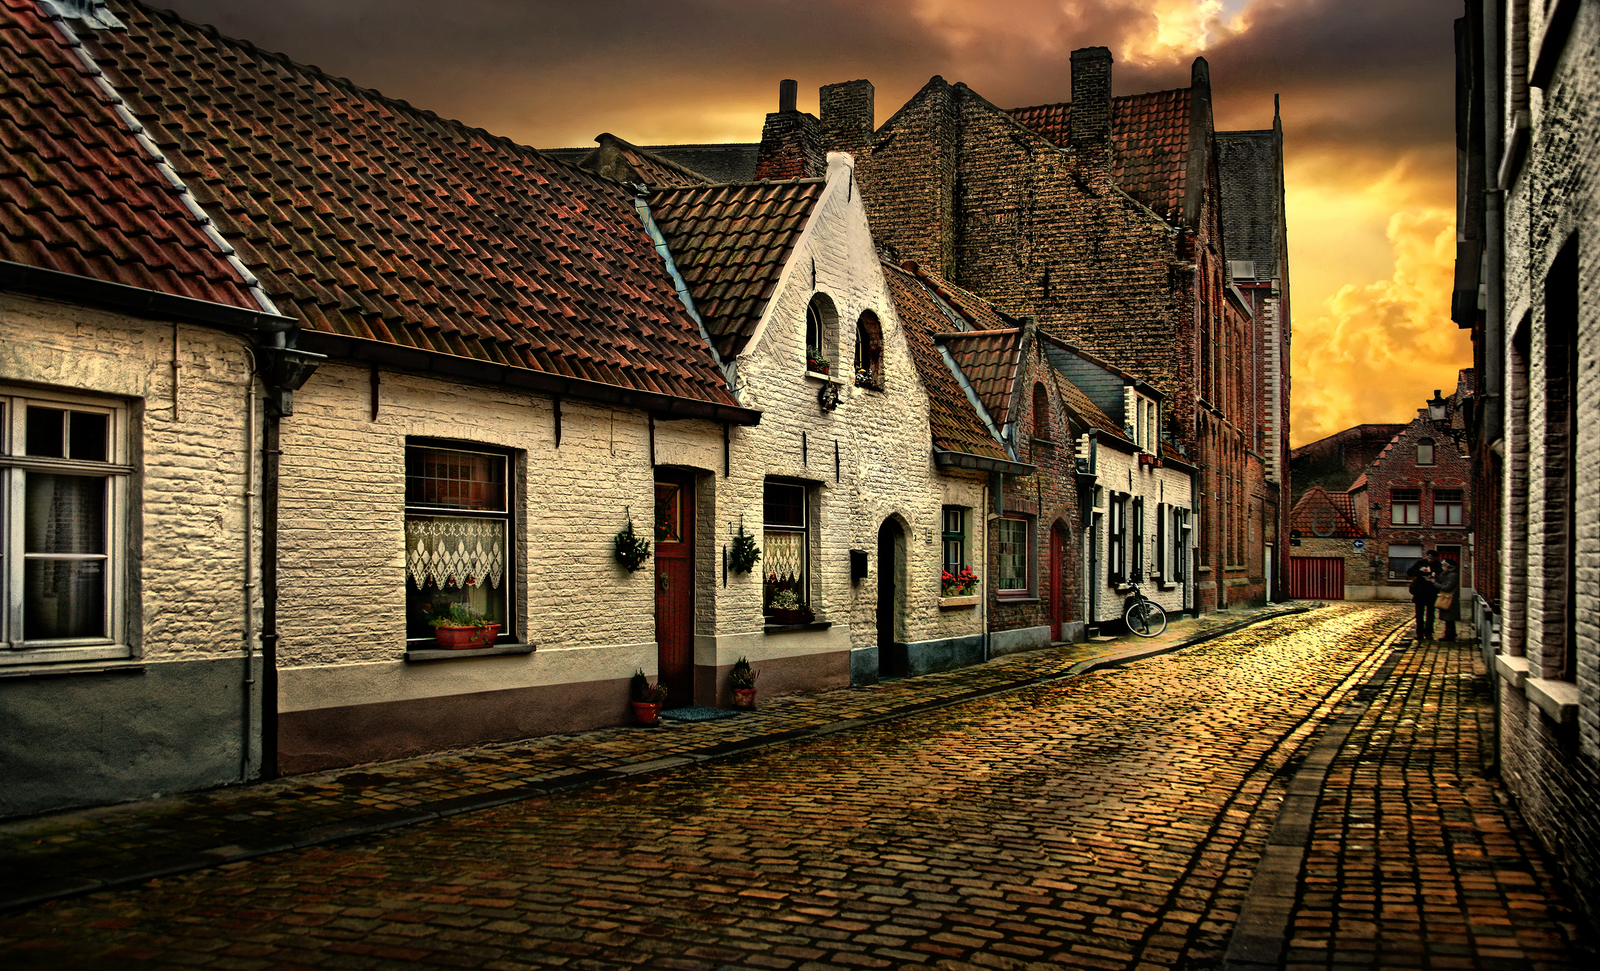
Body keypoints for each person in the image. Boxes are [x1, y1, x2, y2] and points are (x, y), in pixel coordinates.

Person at [1408, 551, 1438, 640]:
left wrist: (1433, 575)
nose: (1430, 560)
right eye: (1429, 558)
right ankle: (1419, 633)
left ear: (1435, 558)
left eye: (1432, 559)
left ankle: (1429, 633)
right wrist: (1420, 571)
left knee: (1430, 615)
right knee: (1419, 614)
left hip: (1431, 593)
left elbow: (1441, 576)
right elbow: (1410, 572)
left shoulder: (1438, 565)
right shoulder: (1420, 563)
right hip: (1420, 592)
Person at [1435, 558, 1461, 640]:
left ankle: (1450, 635)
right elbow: (1442, 580)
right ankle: (1449, 634)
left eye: (1444, 565)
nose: (1443, 567)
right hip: (1448, 598)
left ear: (1448, 566)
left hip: (1450, 599)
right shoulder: (1448, 574)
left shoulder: (1453, 575)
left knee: (1449, 618)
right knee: (1447, 618)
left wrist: (1434, 583)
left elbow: (1447, 587)